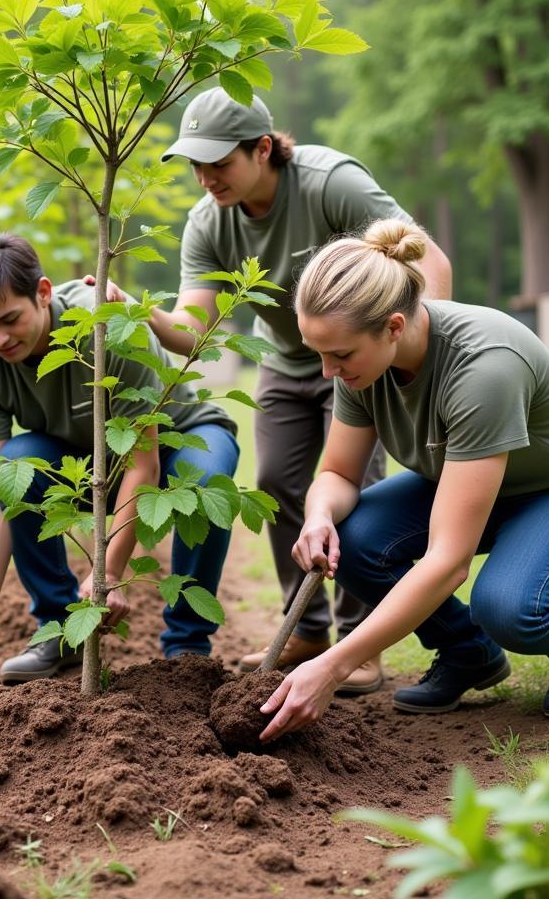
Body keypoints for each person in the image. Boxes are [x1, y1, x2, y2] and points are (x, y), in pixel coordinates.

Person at [97, 88, 452, 692]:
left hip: (361, 361)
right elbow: (194, 332)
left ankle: (358, 641)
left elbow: (428, 261)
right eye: (196, 165)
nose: (206, 178)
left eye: (220, 162)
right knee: (279, 485)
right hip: (288, 363)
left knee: (357, 493)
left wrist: (413, 352)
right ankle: (307, 627)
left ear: (263, 148)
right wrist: (140, 312)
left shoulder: (329, 183)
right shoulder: (208, 221)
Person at [258, 219, 549, 741]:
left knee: (508, 607)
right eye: (317, 353)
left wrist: (334, 665)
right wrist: (319, 515)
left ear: (392, 326)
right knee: (356, 539)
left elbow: (447, 561)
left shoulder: (484, 366)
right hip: (472, 484)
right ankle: (468, 653)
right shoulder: (359, 362)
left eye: (338, 356)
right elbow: (339, 472)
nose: (326, 372)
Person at [0, 234, 240, 682]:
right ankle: (62, 634)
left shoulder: (108, 330)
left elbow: (141, 465)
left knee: (206, 482)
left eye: (9, 320)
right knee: (13, 465)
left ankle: (187, 649)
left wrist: (107, 573)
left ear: (43, 292)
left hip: (179, 438)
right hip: (88, 460)